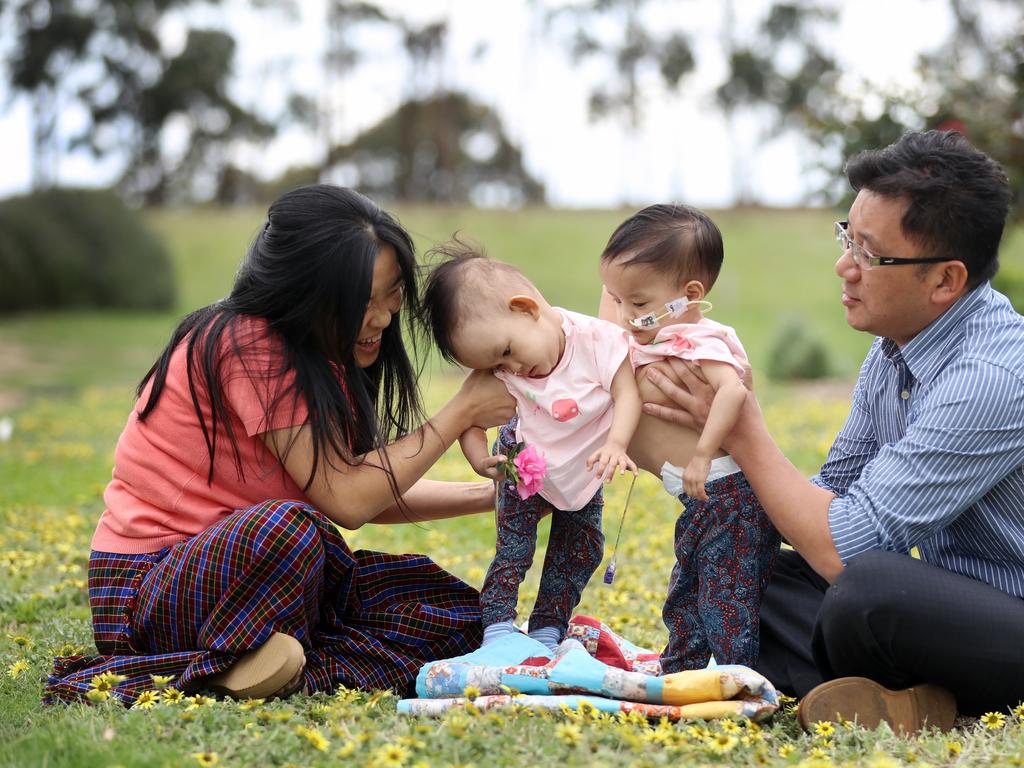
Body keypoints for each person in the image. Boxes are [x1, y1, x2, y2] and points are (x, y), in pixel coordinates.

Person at [45, 185, 516, 705]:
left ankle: (267, 665)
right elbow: (347, 501)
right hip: (150, 591)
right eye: (361, 300)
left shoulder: (324, 354)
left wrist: (496, 498)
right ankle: (201, 668)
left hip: (257, 584)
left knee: (453, 614)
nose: (383, 316)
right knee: (290, 530)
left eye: (393, 293)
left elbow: (358, 483)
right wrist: (461, 412)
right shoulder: (247, 344)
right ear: (305, 288)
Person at [640, 130, 1024, 730]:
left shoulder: (991, 376)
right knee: (746, 572)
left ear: (946, 281)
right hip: (946, 603)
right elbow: (832, 494)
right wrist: (687, 460)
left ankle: (901, 695)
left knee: (868, 590)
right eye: (848, 237)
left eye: (870, 254)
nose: (844, 267)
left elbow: (846, 549)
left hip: (1009, 618)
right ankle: (909, 701)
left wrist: (744, 432)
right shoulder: (895, 352)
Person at [418, 245, 639, 651]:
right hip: (522, 465)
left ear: (525, 308)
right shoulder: (503, 368)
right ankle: (498, 626)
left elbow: (628, 393)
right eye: (496, 366)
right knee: (513, 549)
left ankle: (548, 627)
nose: (512, 370)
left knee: (581, 548)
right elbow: (472, 421)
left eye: (506, 353)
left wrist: (617, 444)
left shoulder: (598, 342)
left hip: (582, 471)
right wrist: (480, 458)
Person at [599, 204, 780, 672]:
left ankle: (736, 675)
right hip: (703, 500)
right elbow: (606, 325)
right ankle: (682, 667)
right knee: (687, 585)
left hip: (728, 494)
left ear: (689, 295)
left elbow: (732, 391)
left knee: (724, 592)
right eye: (619, 301)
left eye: (637, 304)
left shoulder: (700, 340)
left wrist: (701, 455)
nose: (625, 315)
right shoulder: (658, 335)